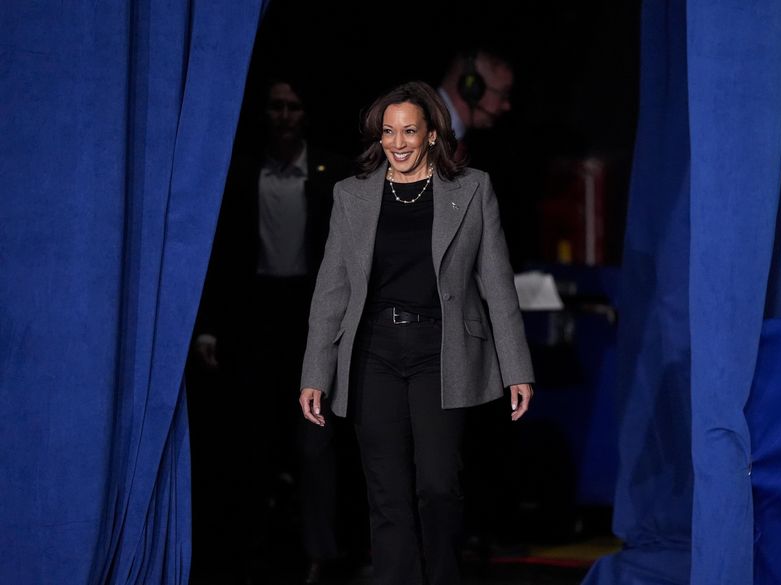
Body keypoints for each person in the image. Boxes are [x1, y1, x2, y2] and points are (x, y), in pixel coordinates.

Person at [298, 80, 535, 585]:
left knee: (438, 485)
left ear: (431, 135)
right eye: (388, 132)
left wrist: (518, 369)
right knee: (387, 493)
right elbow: (331, 291)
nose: (397, 143)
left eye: (409, 131)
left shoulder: (471, 189)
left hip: (440, 350)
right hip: (373, 351)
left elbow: (497, 283)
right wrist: (315, 373)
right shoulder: (352, 195)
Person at [191, 75, 352, 583]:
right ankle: (250, 553)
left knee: (315, 440)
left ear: (306, 114)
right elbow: (220, 255)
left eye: (293, 107)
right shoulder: (242, 174)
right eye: (276, 107)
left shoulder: (329, 175)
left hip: (310, 317)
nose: (284, 116)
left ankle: (319, 554)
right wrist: (210, 326)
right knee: (251, 443)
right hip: (255, 317)